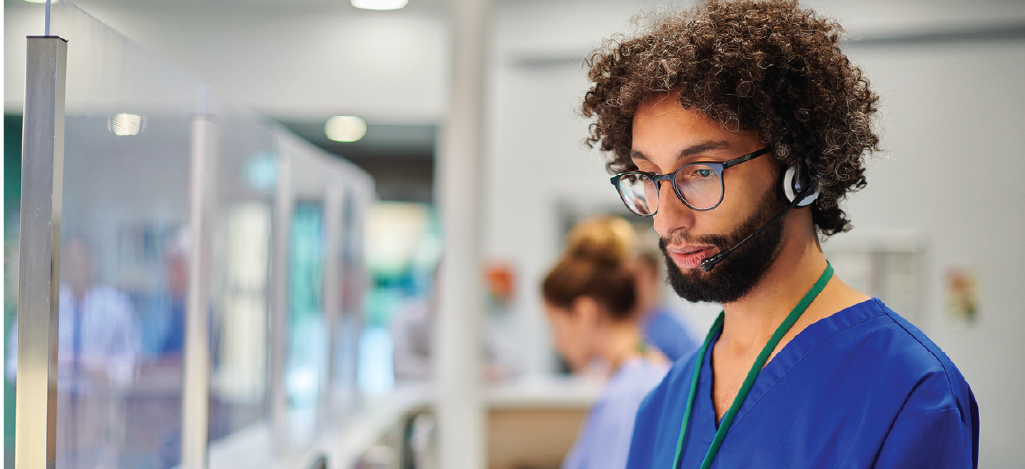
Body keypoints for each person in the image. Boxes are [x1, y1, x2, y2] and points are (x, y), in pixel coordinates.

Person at [580, 1, 979, 467]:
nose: (666, 221)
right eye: (649, 176)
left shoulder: (907, 393)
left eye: (702, 172)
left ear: (799, 171)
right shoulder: (663, 406)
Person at [542, 217, 669, 469]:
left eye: (556, 327)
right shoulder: (649, 375)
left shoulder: (627, 397)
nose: (556, 343)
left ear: (583, 313)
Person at [633, 250, 698, 362]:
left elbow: (695, 368)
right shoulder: (626, 322)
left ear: (652, 276)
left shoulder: (671, 327)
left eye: (637, 276)